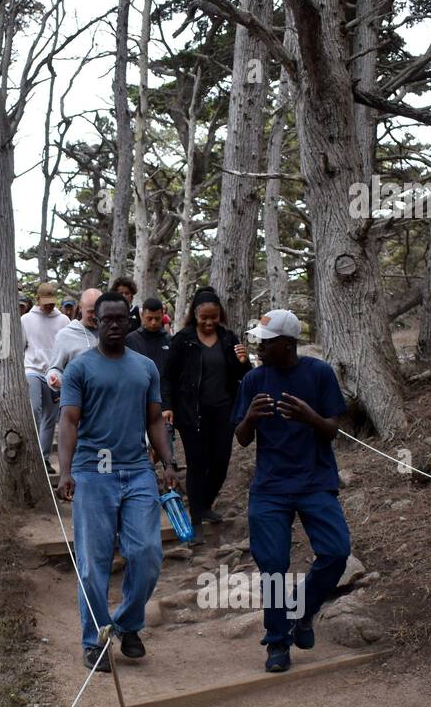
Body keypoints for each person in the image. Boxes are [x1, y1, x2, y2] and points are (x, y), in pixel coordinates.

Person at [56, 292, 179, 673]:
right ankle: (94, 639)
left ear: (130, 319)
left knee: (147, 554)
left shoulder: (145, 367)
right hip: (94, 473)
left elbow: (155, 419)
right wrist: (65, 470)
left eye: (119, 319)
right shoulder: (80, 368)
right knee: (94, 563)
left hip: (137, 469)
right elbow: (69, 422)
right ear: (95, 321)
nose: (112, 325)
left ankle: (126, 624)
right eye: (104, 319)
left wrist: (169, 464)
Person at [231, 309, 351, 673]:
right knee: (273, 566)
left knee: (336, 552)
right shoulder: (253, 379)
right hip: (270, 486)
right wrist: (249, 417)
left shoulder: (319, 373)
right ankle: (277, 643)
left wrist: (309, 417)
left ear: (287, 343)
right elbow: (242, 438)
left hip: (315, 480)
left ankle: (303, 610)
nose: (259, 348)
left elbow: (334, 430)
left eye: (265, 343)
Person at [165, 287, 252, 539]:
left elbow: (244, 377)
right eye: (204, 317)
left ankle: (204, 505)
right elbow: (168, 376)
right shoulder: (183, 339)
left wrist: (244, 362)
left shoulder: (228, 338)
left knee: (221, 462)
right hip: (192, 412)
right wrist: (167, 406)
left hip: (224, 410)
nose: (209, 322)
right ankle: (196, 520)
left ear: (219, 315)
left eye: (213, 317)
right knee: (196, 463)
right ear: (195, 315)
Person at [125, 297, 179, 470]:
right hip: (136, 403)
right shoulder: (131, 340)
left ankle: (162, 480)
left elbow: (172, 376)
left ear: (163, 315)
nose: (154, 322)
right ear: (142, 316)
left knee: (163, 444)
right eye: (150, 318)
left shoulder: (170, 341)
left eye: (157, 318)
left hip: (163, 403)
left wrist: (170, 404)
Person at [22, 282, 69, 472]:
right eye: (45, 302)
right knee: (34, 408)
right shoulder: (25, 320)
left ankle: (44, 458)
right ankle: (30, 454)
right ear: (38, 299)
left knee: (50, 417)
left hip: (54, 372)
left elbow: (66, 348)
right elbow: (21, 345)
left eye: (52, 302)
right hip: (32, 368)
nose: (49, 305)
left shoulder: (63, 320)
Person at [46, 287, 101, 392]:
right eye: (90, 311)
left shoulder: (110, 332)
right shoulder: (65, 335)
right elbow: (55, 368)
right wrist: (55, 378)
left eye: (98, 311)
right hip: (77, 398)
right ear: (80, 308)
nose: (95, 316)